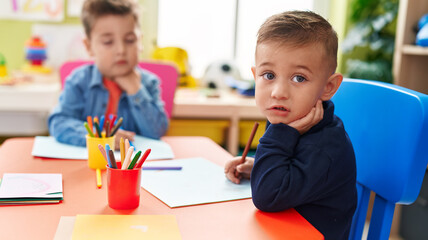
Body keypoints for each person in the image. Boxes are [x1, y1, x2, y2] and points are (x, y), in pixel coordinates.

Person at [224, 10, 357, 239]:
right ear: (255, 76)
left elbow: (266, 197)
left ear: (328, 87)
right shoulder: (292, 116)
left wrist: (280, 135)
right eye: (268, 75)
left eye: (299, 78)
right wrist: (259, 167)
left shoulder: (325, 148)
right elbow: (297, 176)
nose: (278, 93)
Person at [48, 0, 168, 149]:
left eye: (130, 40)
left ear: (140, 42)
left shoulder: (149, 83)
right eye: (108, 42)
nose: (121, 50)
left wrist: (136, 90)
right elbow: (59, 123)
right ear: (89, 46)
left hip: (130, 167)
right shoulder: (78, 81)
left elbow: (157, 131)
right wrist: (100, 137)